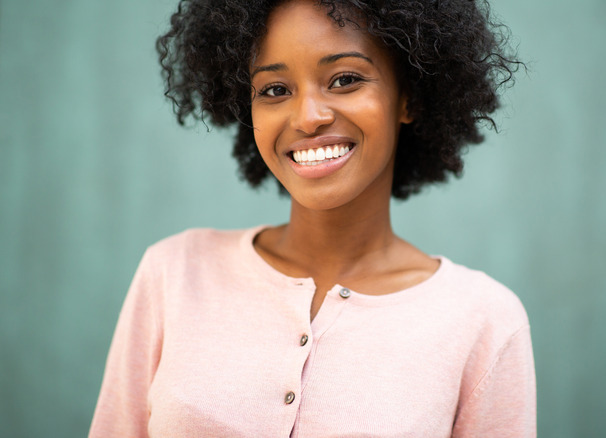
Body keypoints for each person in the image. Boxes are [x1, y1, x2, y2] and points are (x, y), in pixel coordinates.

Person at [89, 0, 536, 436]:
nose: (308, 118)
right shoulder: (175, 271)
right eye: (275, 90)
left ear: (409, 97)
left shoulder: (483, 319)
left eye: (344, 79)